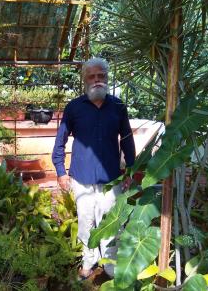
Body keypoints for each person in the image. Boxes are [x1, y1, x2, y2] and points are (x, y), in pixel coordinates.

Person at [51, 57, 135, 279]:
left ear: (106, 78)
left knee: (111, 225)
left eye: (101, 76)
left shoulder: (118, 107)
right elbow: (60, 141)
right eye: (92, 76)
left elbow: (127, 140)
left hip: (111, 180)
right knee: (86, 224)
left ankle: (110, 266)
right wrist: (60, 171)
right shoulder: (74, 108)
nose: (97, 80)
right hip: (81, 179)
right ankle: (88, 262)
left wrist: (131, 170)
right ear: (84, 80)